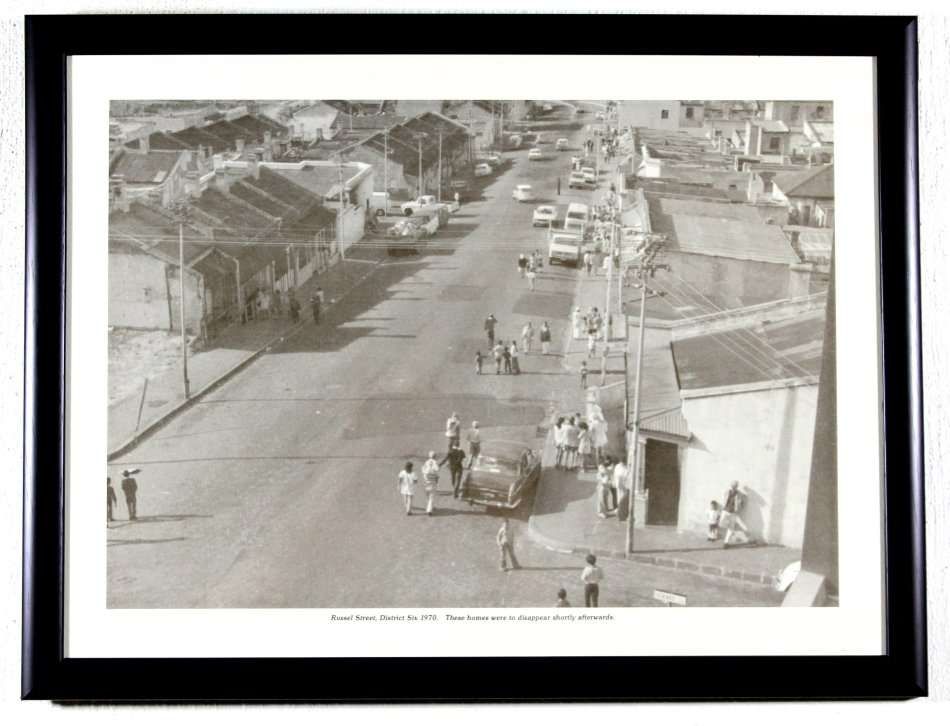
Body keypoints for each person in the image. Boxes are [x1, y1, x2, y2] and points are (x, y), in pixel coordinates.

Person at [722, 481, 752, 547]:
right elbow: (724, 499)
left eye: (735, 486)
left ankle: (726, 543)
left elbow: (743, 499)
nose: (733, 487)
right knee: (723, 524)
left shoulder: (739, 494)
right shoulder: (727, 492)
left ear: (737, 487)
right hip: (725, 511)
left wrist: (740, 506)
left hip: (733, 513)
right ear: (731, 486)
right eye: (732, 486)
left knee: (731, 528)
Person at [422, 451, 441, 516]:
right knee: (431, 496)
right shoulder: (435, 462)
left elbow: (423, 470)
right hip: (433, 481)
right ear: (434, 456)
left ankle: (429, 506)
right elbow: (437, 469)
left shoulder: (426, 462)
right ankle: (429, 510)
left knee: (427, 495)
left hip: (426, 481)